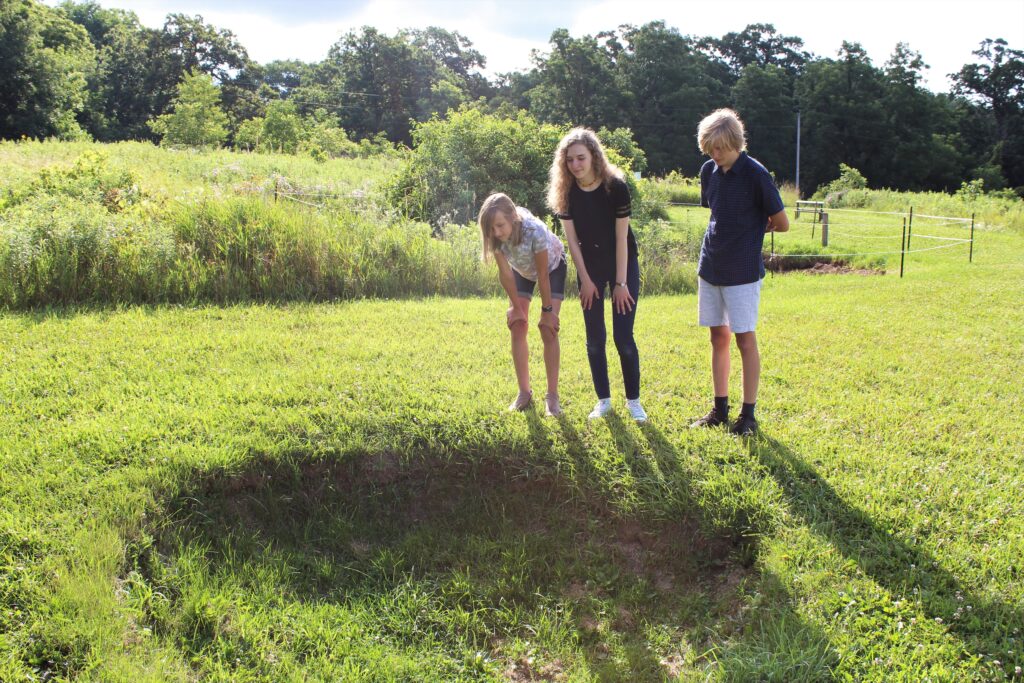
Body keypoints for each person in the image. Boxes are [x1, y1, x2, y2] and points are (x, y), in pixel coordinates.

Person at [690, 108, 789, 436]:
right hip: (711, 266)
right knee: (718, 336)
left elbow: (783, 223)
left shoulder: (756, 175)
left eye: (720, 149)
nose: (715, 155)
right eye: (710, 150)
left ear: (735, 143)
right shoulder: (709, 171)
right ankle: (719, 409)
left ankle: (748, 415)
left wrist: (753, 231)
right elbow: (716, 214)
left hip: (743, 271)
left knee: (744, 338)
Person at [547, 128, 647, 422]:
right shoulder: (565, 192)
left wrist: (620, 283)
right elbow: (572, 241)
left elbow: (621, 239)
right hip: (588, 266)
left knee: (623, 337)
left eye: (581, 158)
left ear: (594, 157)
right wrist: (587, 281)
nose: (576, 165)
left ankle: (634, 402)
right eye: (570, 161)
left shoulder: (616, 187)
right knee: (594, 338)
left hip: (622, 263)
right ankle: (603, 400)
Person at [479, 193, 567, 417]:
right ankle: (524, 393)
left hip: (552, 267)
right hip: (521, 271)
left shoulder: (533, 230)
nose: (497, 233)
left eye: (500, 225)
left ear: (512, 217)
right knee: (517, 325)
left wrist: (547, 311)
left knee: (548, 330)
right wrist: (516, 308)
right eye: (492, 229)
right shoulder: (495, 234)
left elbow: (543, 274)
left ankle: (552, 397)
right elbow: (505, 273)